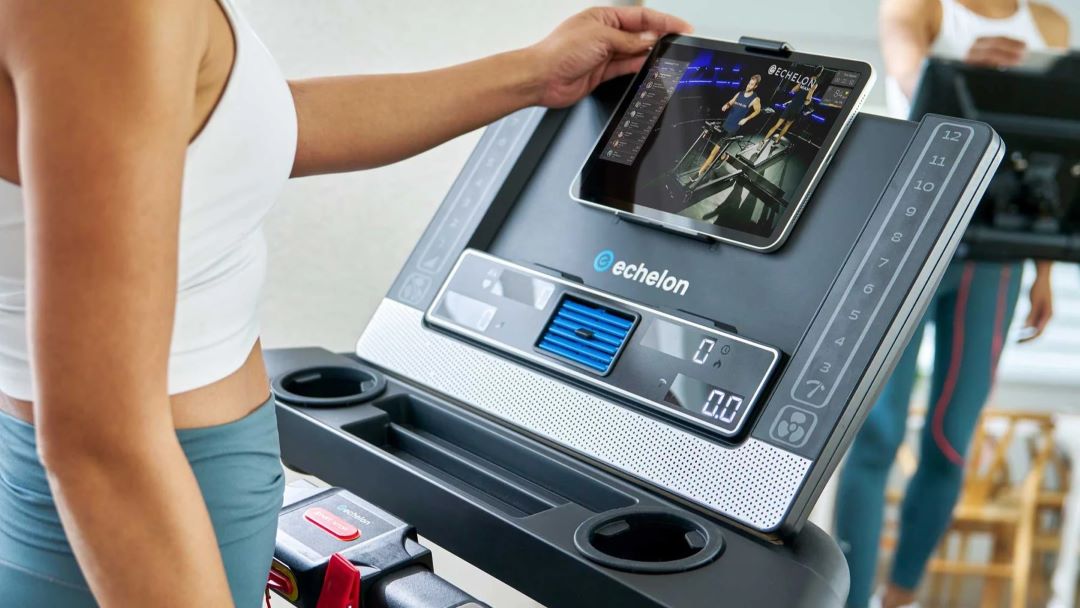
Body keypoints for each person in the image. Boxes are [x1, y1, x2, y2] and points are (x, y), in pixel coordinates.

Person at [0, 3, 692, 606]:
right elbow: (98, 444)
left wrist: (534, 73)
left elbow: (227, 123)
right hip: (123, 532)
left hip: (156, 502)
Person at [834, 1, 1068, 607]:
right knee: (876, 434)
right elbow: (910, 77)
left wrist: (1043, 271)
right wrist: (961, 68)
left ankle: (901, 596)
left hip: (998, 256)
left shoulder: (1050, 28)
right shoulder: (919, 7)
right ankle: (851, 600)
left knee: (949, 439)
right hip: (909, 244)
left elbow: (1051, 153)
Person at [694, 74, 763, 181]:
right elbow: (731, 102)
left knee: (714, 151)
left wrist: (746, 119)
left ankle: (699, 173)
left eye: (752, 85)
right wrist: (726, 105)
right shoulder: (739, 93)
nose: (748, 86)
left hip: (733, 128)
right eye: (749, 83)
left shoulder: (755, 99)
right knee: (717, 148)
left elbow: (758, 111)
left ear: (756, 86)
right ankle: (725, 157)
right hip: (726, 124)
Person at [759, 66, 823, 152]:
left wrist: (799, 93)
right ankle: (777, 141)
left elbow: (793, 90)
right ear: (819, 74)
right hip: (798, 108)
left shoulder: (805, 79)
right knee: (787, 125)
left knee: (777, 125)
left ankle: (763, 141)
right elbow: (808, 98)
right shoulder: (814, 84)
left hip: (792, 104)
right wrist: (808, 98)